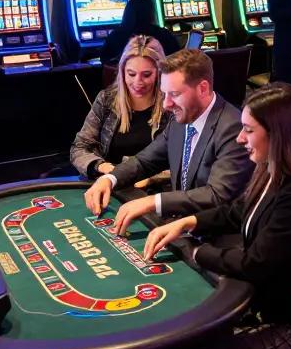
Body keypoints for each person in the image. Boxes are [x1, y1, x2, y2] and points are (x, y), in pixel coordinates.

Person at [143, 83, 291, 349]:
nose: (239, 138)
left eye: (248, 130)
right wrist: (187, 223)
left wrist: (192, 252)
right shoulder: (271, 171)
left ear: (279, 135)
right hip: (271, 302)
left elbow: (255, 263)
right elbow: (238, 212)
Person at [83, 48, 253, 231]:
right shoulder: (182, 119)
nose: (167, 104)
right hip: (178, 226)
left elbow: (217, 195)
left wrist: (152, 202)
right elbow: (144, 161)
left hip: (217, 234)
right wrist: (110, 179)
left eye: (175, 94)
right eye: (165, 94)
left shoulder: (233, 128)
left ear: (202, 88)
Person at [70, 36, 171, 179]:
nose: (138, 82)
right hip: (111, 183)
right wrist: (102, 167)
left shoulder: (171, 103)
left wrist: (151, 180)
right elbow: (80, 148)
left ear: (159, 72)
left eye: (146, 75)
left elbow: (185, 161)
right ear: (122, 72)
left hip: (157, 190)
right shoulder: (107, 99)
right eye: (131, 74)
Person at [99, 0, 181, 65]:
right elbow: (177, 59)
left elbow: (104, 59)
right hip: (160, 82)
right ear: (151, 13)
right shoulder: (163, 35)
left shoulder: (116, 35)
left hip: (121, 82)